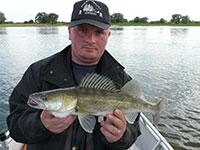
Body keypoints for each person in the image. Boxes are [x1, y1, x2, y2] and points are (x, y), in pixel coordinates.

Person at [7, 0, 141, 150]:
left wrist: (120, 136)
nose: (91, 40)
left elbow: (133, 132)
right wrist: (41, 124)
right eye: (83, 30)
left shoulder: (122, 80)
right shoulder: (38, 72)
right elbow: (14, 124)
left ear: (108, 35)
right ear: (70, 32)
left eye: (99, 32)